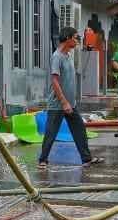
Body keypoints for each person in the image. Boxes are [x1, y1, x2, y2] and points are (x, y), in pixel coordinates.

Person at [38, 27, 103, 169]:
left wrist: (69, 102)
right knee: (51, 132)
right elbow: (54, 81)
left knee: (79, 130)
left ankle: (86, 159)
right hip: (58, 104)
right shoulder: (57, 56)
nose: (77, 40)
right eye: (75, 37)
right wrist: (63, 102)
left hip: (70, 104)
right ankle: (43, 160)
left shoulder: (68, 56)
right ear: (67, 38)